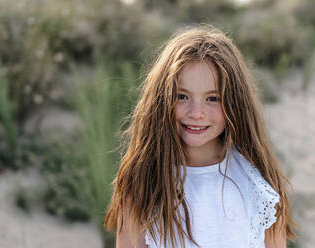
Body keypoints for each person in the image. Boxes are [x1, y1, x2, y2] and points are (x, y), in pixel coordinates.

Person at [104, 25, 297, 248]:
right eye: (182, 96)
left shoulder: (257, 185)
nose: (196, 113)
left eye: (212, 98)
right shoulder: (142, 183)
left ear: (235, 102)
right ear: (162, 99)